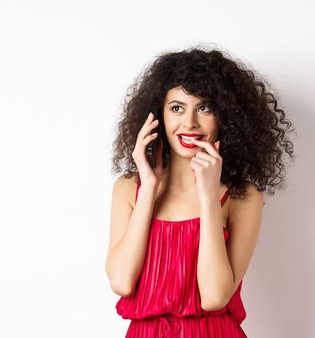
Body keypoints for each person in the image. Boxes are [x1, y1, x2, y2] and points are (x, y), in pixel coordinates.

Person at [104, 46, 295, 337]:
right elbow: (121, 282)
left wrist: (208, 198)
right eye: (177, 108)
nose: (190, 122)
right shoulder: (130, 188)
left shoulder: (242, 197)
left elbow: (215, 297)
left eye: (204, 107)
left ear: (226, 117)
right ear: (158, 116)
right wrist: (149, 188)